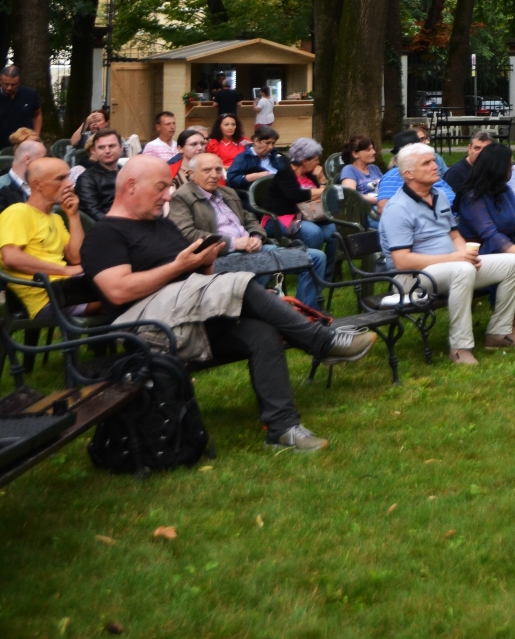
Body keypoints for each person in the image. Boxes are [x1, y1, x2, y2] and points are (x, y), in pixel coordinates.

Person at [85, 155, 376, 451]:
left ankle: (282, 429)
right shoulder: (104, 234)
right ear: (131, 185)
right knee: (241, 282)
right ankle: (321, 342)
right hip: (150, 330)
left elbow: (195, 278)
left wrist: (204, 264)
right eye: (160, 188)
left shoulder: (161, 226)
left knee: (261, 333)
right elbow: (118, 291)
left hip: (190, 318)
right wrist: (178, 267)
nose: (166, 195)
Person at [378, 143, 515, 366]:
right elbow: (402, 261)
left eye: (434, 160)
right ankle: (460, 347)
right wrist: (457, 259)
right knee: (463, 269)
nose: (435, 165)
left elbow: (455, 235)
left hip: (451, 267)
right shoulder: (397, 208)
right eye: (426, 163)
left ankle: (498, 333)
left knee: (513, 262)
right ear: (408, 174)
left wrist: (463, 254)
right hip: (412, 278)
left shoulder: (438, 195)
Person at [169, 153, 329, 311]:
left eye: (218, 170)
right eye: (207, 170)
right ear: (191, 174)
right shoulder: (182, 198)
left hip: (254, 249)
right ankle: (260, 310)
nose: (214, 175)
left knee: (316, 258)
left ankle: (305, 314)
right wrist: (233, 243)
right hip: (222, 257)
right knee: (262, 263)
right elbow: (187, 234)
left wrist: (256, 236)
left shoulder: (227, 193)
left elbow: (250, 218)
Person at [455, 143, 515, 339]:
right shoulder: (472, 196)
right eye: (509, 164)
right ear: (496, 167)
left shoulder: (504, 190)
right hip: (482, 253)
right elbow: (490, 235)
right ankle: (514, 320)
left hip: (509, 247)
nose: (513, 167)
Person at [0, 156, 84, 319]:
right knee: (119, 292)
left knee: (123, 288)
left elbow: (76, 258)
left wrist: (73, 216)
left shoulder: (56, 218)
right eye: (60, 178)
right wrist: (65, 270)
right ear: (37, 184)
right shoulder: (18, 212)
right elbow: (11, 257)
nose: (69, 184)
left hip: (68, 288)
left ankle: (119, 340)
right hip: (49, 296)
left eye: (68, 176)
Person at [266, 138, 336, 264]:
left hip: (307, 215)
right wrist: (322, 191)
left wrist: (322, 178)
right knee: (313, 232)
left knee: (332, 231)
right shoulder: (285, 174)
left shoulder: (309, 174)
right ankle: (309, 271)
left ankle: (327, 274)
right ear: (305, 161)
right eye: (315, 159)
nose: (318, 162)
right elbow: (297, 195)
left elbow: (321, 197)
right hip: (280, 219)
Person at [375, 128, 453, 213]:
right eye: (426, 162)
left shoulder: (431, 175)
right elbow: (384, 208)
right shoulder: (395, 174)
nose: (435, 166)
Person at [74, 129, 124, 218]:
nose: (107, 151)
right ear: (94, 151)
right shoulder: (87, 179)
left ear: (121, 148)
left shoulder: (127, 172)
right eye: (101, 147)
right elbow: (92, 213)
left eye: (112, 146)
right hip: (109, 226)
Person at [227, 125, 285, 194]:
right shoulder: (243, 158)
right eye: (267, 143)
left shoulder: (275, 156)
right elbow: (232, 180)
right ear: (256, 141)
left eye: (273, 143)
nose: (270, 147)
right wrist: (257, 176)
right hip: (259, 195)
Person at [442, 130, 494, 200]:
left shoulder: (493, 170)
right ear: (469, 148)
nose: (481, 152)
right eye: (477, 148)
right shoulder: (455, 174)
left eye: (486, 149)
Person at [0, 139, 45, 209]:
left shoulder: (43, 186)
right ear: (27, 160)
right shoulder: (2, 187)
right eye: (43, 159)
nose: (46, 164)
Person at [0, 65, 42, 138]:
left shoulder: (30, 94)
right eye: (6, 84)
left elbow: (37, 115)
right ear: (0, 81)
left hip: (25, 141)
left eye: (13, 85)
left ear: (19, 82)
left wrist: (36, 135)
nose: (9, 88)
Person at [340, 135, 382, 202]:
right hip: (365, 209)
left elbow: (386, 187)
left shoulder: (374, 168)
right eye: (368, 150)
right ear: (355, 154)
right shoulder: (349, 170)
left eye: (373, 148)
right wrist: (379, 200)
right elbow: (350, 194)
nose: (374, 152)